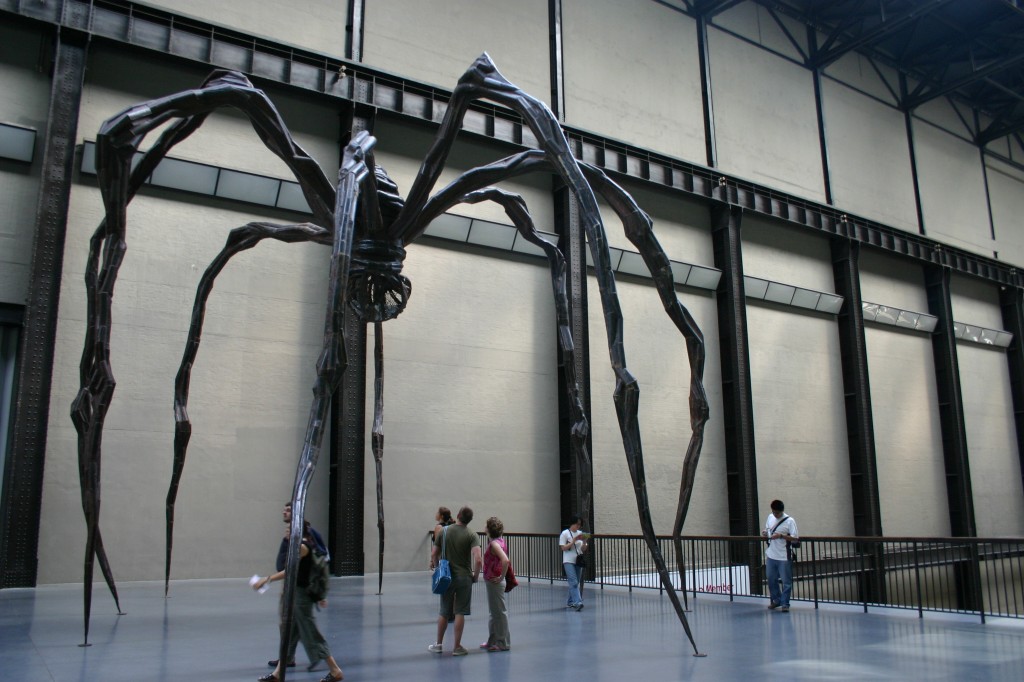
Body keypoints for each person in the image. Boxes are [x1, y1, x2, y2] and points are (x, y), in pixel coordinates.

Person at [254, 521, 344, 682]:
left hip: (302, 597)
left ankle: (335, 670)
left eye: (289, 529)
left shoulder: (302, 547)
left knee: (311, 633)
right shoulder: (304, 544)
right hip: (297, 594)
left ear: (297, 531)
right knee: (290, 634)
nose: (286, 532)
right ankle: (278, 673)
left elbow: (289, 570)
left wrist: (266, 580)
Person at [268, 501, 328, 669]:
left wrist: (320, 594)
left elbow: (320, 560)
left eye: (288, 510)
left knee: (301, 625)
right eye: (284, 509)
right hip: (289, 584)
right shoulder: (291, 534)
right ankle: (286, 658)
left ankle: (326, 661)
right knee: (289, 623)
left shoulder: (305, 537)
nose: (284, 512)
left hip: (298, 586)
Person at [428, 506, 481, 656]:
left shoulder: (444, 532)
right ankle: (457, 647)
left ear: (458, 515)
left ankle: (438, 644)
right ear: (469, 520)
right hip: (464, 577)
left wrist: (438, 568)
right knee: (460, 612)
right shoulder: (472, 534)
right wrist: (475, 577)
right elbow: (478, 560)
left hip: (448, 577)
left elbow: (434, 554)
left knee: (444, 611)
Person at [761, 499, 799, 613]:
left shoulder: (790, 521)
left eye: (777, 513)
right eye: (773, 512)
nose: (775, 515)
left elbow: (795, 538)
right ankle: (776, 600)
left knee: (786, 581)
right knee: (771, 578)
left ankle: (785, 603)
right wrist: (765, 533)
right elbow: (768, 530)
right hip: (771, 554)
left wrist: (781, 536)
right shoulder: (770, 517)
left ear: (782, 511)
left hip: (784, 555)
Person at [480, 516, 511, 652]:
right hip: (492, 581)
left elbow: (505, 560)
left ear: (489, 529)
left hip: (495, 582)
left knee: (499, 612)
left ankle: (503, 643)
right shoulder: (498, 541)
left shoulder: (494, 544)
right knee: (494, 612)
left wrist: (501, 577)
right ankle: (493, 640)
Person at [559, 514, 588, 611]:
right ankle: (578, 602)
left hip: (578, 560)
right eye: (577, 524)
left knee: (576, 582)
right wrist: (573, 541)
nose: (578, 526)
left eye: (580, 525)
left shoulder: (581, 533)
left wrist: (584, 542)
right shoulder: (565, 533)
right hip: (568, 560)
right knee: (573, 581)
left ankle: (570, 601)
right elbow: (563, 548)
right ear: (572, 523)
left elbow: (583, 549)